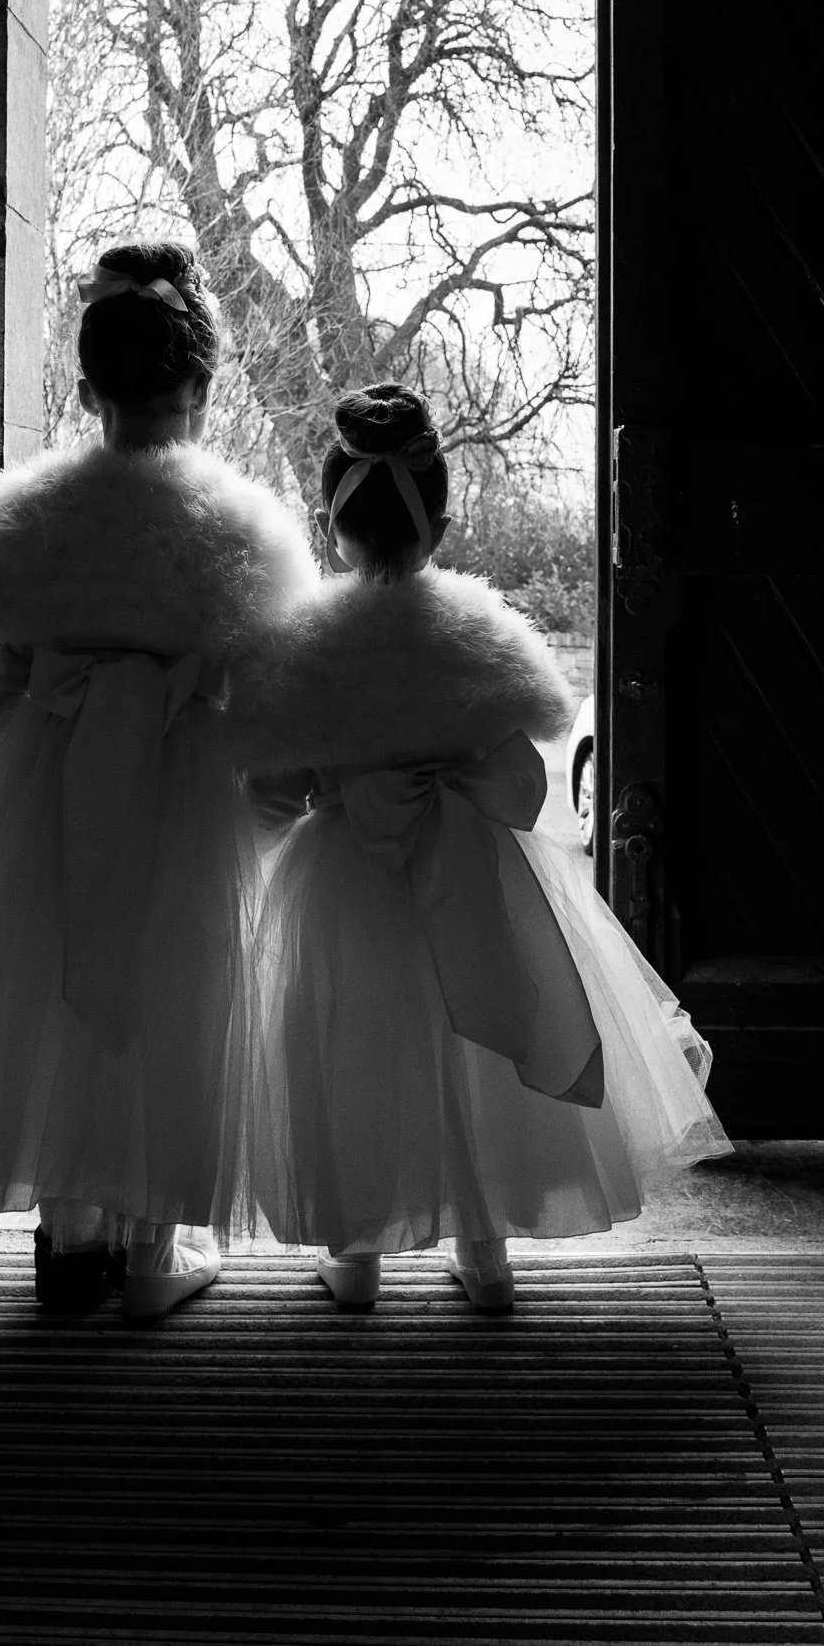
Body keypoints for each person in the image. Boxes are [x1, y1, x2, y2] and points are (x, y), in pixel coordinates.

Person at [0, 243, 317, 1317]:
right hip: (181, 804)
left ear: (84, 387)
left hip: (51, 791)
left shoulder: (26, 524)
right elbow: (270, 714)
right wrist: (264, 819)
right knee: (174, 999)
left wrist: (6, 799)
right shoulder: (237, 538)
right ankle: (152, 1245)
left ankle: (67, 1237)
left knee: (49, 999)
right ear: (205, 385)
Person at [226, 384, 729, 1311]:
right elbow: (524, 788)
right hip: (468, 873)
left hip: (343, 880)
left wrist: (313, 811)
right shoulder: (481, 638)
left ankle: (357, 1250)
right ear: (444, 522)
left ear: (330, 523)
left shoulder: (303, 647)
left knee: (353, 1051)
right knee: (482, 1044)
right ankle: (486, 1248)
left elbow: (268, 790)